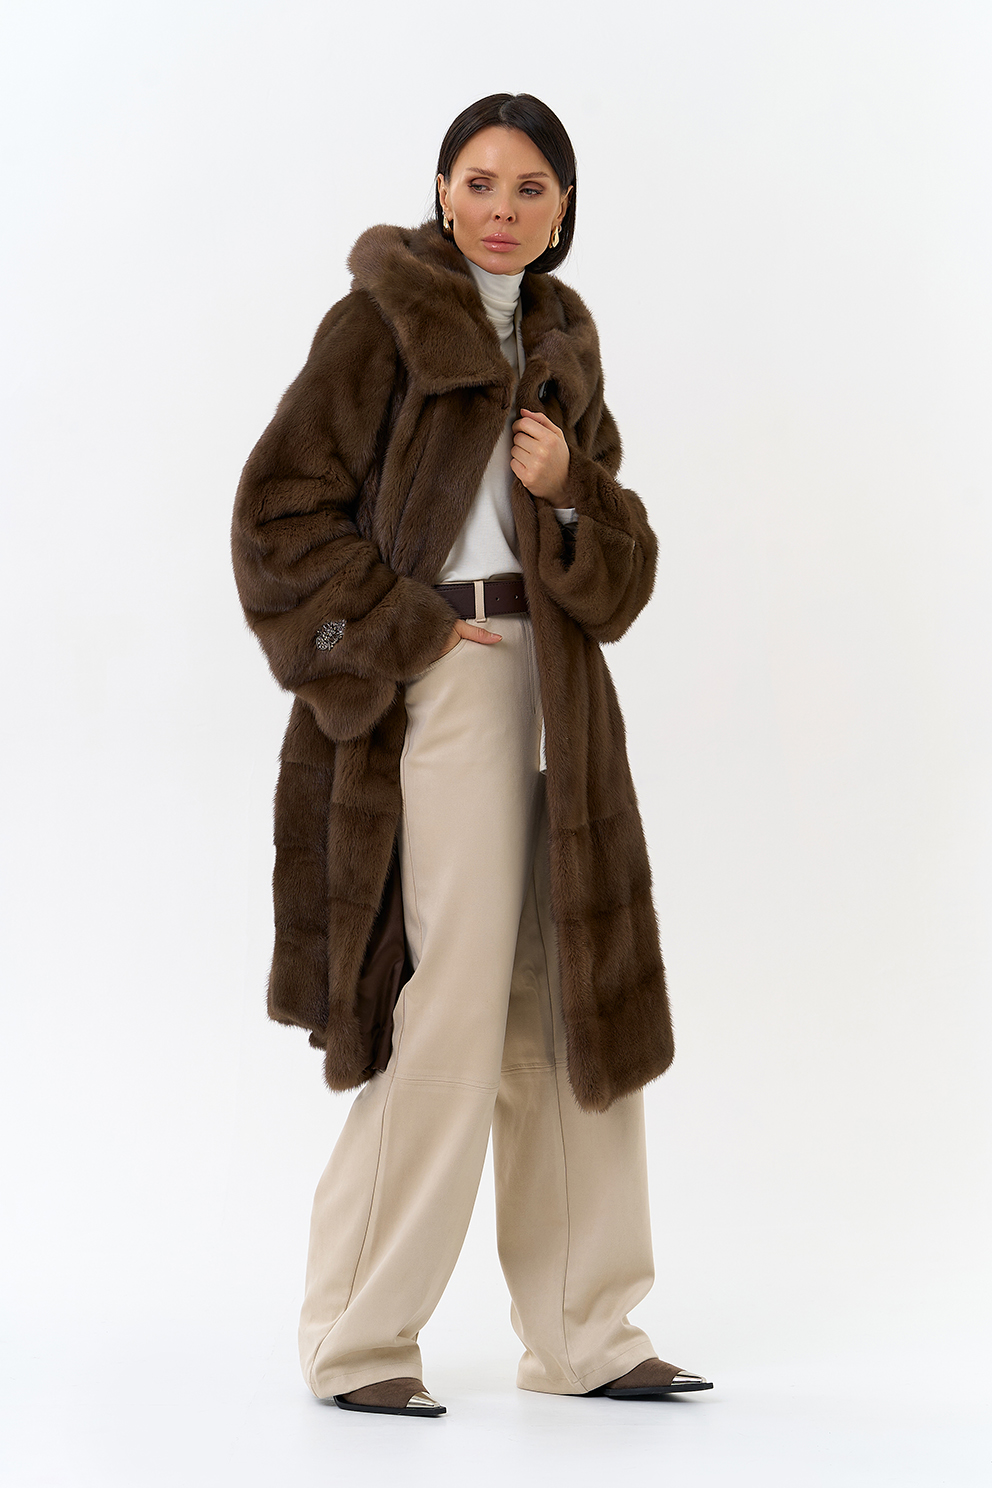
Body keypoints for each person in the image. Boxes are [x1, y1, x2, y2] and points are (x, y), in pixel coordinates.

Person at [231, 92, 712, 1418]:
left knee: (570, 1008)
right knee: (446, 1004)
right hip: (443, 689)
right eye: (481, 182)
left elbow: (622, 577)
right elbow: (277, 519)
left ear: (564, 208)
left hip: (561, 691)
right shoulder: (382, 323)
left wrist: (569, 491)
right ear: (441, 190)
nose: (504, 208)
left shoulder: (562, 341)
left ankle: (585, 1333)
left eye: (532, 187)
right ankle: (357, 1339)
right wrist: (401, 632)